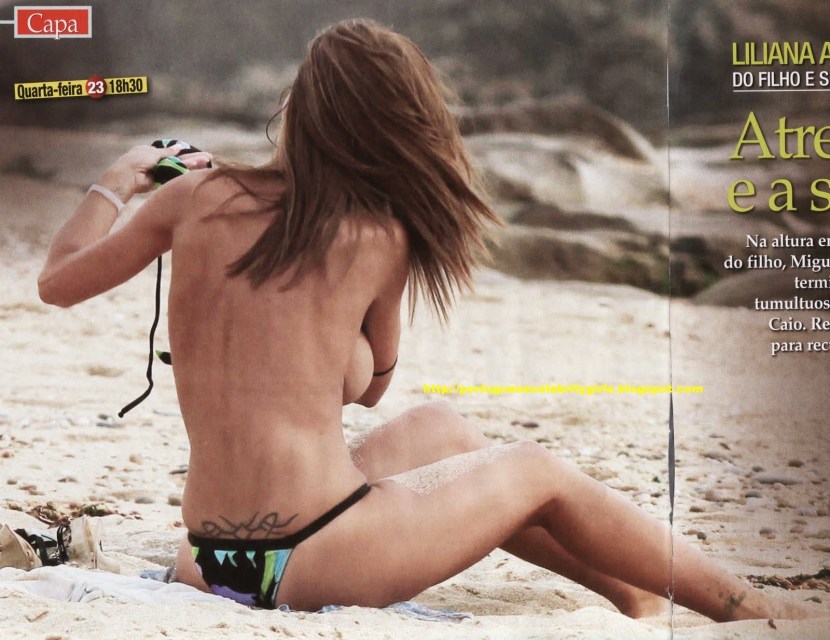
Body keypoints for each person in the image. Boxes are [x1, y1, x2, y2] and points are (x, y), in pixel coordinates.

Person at [39, 19, 809, 621]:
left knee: (444, 432)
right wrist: (325, 342)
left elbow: (58, 284)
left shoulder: (190, 198)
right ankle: (744, 606)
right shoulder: (378, 235)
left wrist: (119, 180)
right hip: (314, 554)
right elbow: (369, 386)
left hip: (206, 562)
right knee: (534, 471)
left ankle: (631, 593)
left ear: (299, 109)